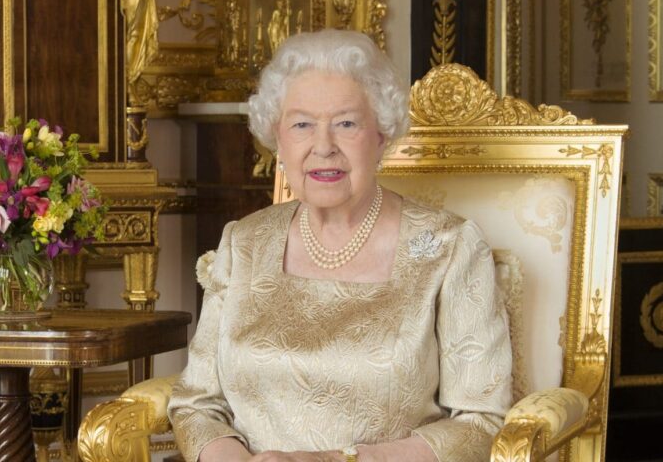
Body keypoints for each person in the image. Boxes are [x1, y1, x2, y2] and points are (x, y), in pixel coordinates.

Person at [168, 29, 512, 462]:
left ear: (381, 135)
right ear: (278, 138)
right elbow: (196, 404)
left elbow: (479, 423)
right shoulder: (244, 243)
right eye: (302, 125)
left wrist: (335, 461)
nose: (323, 147)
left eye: (346, 123)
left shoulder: (450, 247)